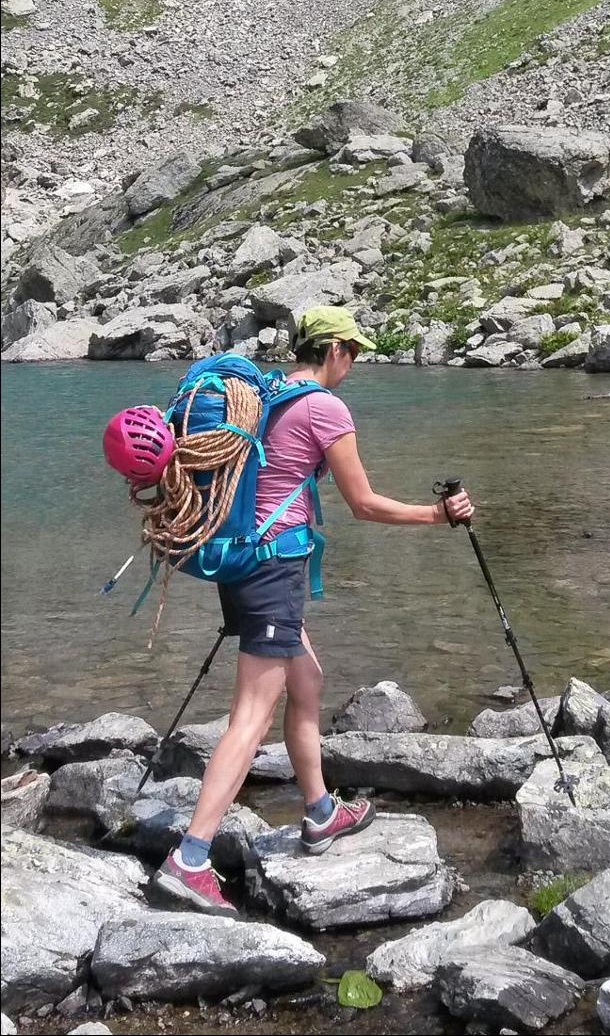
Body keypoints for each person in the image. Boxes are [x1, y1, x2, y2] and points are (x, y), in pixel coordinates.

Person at [153, 306, 473, 916]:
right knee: (251, 712)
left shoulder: (268, 393)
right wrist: (437, 516)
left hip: (244, 562)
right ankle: (190, 858)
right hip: (274, 569)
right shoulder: (325, 407)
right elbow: (364, 504)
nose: (353, 362)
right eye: (352, 351)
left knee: (308, 682)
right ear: (334, 351)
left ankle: (321, 812)